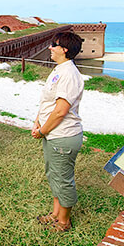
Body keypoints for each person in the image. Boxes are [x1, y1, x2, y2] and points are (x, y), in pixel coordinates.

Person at [31, 32, 85, 232]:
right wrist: (38, 121)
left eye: (54, 45)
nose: (50, 48)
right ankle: (55, 213)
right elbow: (48, 101)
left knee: (63, 178)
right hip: (52, 134)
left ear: (65, 50)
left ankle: (64, 221)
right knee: (53, 174)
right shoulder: (59, 70)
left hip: (63, 135)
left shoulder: (69, 75)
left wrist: (42, 131)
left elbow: (61, 110)